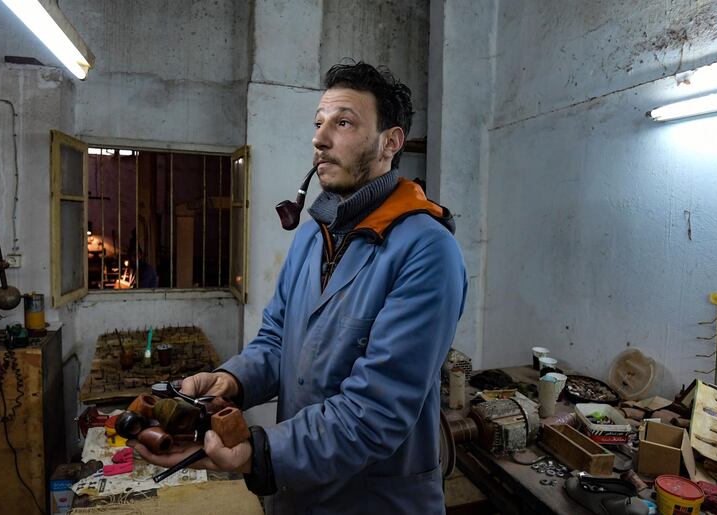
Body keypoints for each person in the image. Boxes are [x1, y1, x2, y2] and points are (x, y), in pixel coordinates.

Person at [131, 61, 467, 515]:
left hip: (375, 501)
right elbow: (276, 341)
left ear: (390, 142)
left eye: (343, 122)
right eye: (318, 123)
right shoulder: (314, 234)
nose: (320, 138)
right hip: (296, 493)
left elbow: (377, 410)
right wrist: (231, 381)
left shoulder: (427, 250)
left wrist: (258, 451)